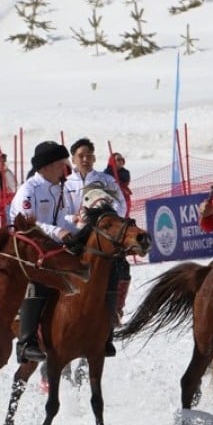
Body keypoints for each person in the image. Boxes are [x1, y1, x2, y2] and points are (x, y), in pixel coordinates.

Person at [9, 141, 74, 364]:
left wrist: (78, 224)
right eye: (60, 164)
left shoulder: (61, 188)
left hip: (54, 245)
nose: (64, 169)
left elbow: (65, 217)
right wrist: (60, 232)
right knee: (40, 278)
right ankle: (26, 342)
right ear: (45, 167)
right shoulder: (28, 191)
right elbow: (30, 226)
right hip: (28, 247)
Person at [64, 138, 130, 356]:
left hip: (101, 239)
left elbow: (121, 204)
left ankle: (111, 321)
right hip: (74, 238)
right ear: (73, 158)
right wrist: (71, 219)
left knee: (120, 269)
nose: (85, 159)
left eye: (89, 155)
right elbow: (59, 213)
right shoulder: (64, 184)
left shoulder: (106, 180)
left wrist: (109, 219)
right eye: (81, 155)